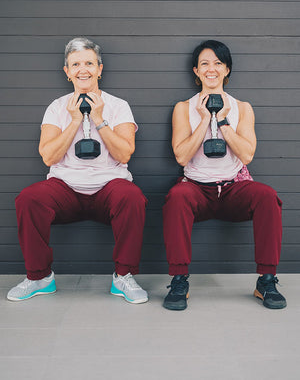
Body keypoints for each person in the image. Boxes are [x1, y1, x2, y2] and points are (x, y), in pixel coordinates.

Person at [7, 37, 148, 304]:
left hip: (110, 186)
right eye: (76, 64)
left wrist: (99, 119)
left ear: (100, 69)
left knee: (133, 197)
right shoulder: (57, 107)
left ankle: (124, 276)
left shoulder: (118, 106)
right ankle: (39, 278)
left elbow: (124, 153)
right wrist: (73, 121)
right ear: (67, 71)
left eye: (89, 63)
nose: (83, 69)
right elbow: (48, 155)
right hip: (66, 189)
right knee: (28, 198)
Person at [162, 40, 286, 311]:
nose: (211, 69)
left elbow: (247, 154)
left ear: (227, 69)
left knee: (267, 196)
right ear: (196, 71)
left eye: (218, 63)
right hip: (196, 187)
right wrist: (205, 118)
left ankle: (266, 280)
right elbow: (181, 156)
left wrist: (223, 121)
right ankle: (179, 280)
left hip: (233, 188)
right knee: (176, 197)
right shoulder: (184, 108)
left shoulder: (243, 108)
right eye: (205, 63)